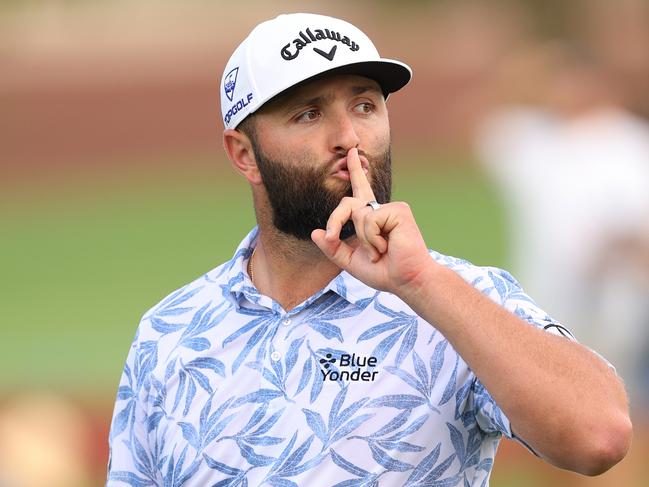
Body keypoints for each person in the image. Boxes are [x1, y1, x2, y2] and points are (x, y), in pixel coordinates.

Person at [107, 14, 631, 486]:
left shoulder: (458, 298)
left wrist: (422, 284)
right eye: (308, 114)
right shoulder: (172, 333)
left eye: (364, 105)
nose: (348, 137)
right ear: (244, 153)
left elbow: (599, 437)